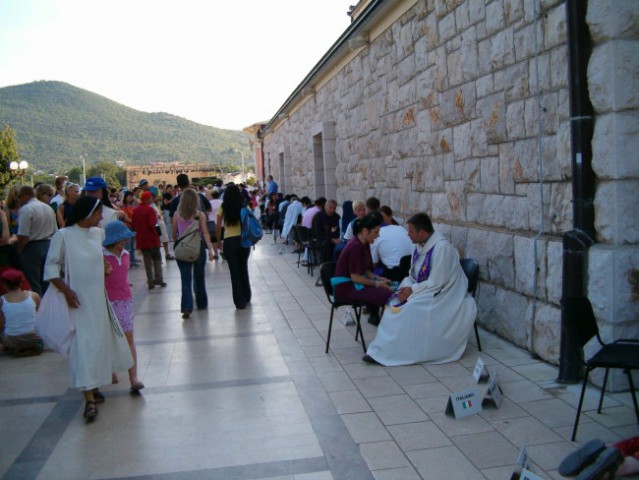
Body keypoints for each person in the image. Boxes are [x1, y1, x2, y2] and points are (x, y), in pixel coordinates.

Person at [43, 196, 133, 421]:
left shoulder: (98, 234)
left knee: (99, 344)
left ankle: (94, 385)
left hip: (99, 301)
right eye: (97, 213)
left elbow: (102, 258)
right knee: (83, 346)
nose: (101, 217)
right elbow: (51, 267)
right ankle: (89, 400)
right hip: (78, 302)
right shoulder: (63, 236)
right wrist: (65, 289)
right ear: (85, 214)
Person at [364, 212, 477, 366]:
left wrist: (412, 291)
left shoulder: (442, 248)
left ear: (422, 232)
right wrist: (405, 289)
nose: (407, 234)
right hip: (425, 289)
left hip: (445, 294)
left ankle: (406, 351)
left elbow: (437, 282)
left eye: (410, 231)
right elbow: (413, 275)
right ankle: (386, 349)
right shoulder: (417, 246)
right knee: (393, 302)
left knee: (411, 307)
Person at [103, 221, 144, 392]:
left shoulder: (126, 254)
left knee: (128, 337)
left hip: (125, 300)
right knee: (109, 337)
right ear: (113, 241)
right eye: (122, 239)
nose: (125, 242)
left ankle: (133, 377)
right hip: (107, 302)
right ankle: (111, 369)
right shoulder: (102, 257)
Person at [334, 212, 393, 325]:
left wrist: (379, 279)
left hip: (354, 284)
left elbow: (366, 270)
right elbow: (355, 277)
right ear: (366, 231)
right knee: (388, 295)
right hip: (346, 289)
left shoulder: (363, 243)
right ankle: (386, 329)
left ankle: (380, 322)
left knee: (391, 287)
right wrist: (377, 284)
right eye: (376, 232)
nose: (378, 235)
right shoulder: (355, 247)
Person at [172, 189, 215, 319]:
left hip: (183, 249)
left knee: (185, 280)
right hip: (198, 248)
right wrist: (211, 250)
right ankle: (202, 303)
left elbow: (174, 234)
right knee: (199, 278)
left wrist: (177, 244)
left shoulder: (177, 214)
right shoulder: (200, 215)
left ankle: (186, 307)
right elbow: (206, 232)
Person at [16, 185, 58, 296]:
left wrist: (19, 251)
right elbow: (55, 231)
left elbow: (23, 235)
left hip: (32, 248)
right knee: (47, 281)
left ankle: (37, 308)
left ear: (25, 196)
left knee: (33, 282)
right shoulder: (48, 208)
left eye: (19, 197)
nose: (18, 200)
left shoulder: (26, 209)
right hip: (48, 245)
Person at [215, 184, 251, 310]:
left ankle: (239, 301)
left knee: (234, 272)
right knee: (243, 268)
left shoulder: (222, 207)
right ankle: (247, 296)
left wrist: (218, 241)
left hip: (230, 241)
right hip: (243, 241)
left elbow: (218, 226)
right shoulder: (244, 205)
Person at [0, 268, 43, 357]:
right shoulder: (34, 296)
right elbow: (41, 317)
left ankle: (8, 346)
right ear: (20, 282)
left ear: (4, 284)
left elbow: (2, 324)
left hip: (12, 339)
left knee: (6, 334)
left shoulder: (2, 300)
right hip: (34, 337)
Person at [132, 191, 166, 290]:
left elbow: (133, 225)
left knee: (147, 261)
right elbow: (152, 224)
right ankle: (158, 278)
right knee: (157, 259)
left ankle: (150, 281)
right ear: (147, 199)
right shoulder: (150, 209)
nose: (152, 199)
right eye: (151, 197)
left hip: (142, 240)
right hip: (152, 238)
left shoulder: (136, 210)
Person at [370, 206, 413, 282]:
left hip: (396, 273)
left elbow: (373, 263)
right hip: (412, 268)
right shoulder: (401, 228)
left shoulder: (376, 234)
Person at [312, 199, 341, 263]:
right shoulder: (318, 217)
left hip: (335, 239)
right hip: (320, 240)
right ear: (325, 206)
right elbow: (318, 234)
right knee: (326, 245)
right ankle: (326, 266)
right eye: (330, 208)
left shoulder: (337, 217)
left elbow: (339, 229)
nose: (332, 210)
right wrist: (331, 239)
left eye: (334, 208)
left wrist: (338, 238)